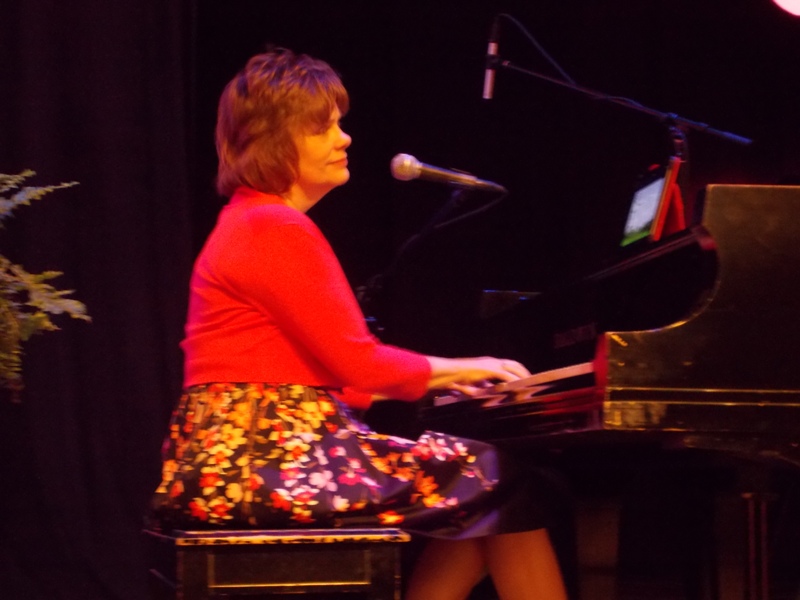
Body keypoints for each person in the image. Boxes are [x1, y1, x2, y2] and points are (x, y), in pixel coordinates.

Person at [151, 47, 567, 600]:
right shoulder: (275, 227)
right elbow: (359, 363)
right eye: (323, 127)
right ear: (276, 142)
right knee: (499, 476)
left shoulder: (247, 221)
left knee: (486, 497)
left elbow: (315, 375)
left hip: (234, 454)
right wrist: (470, 367)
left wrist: (440, 382)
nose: (344, 138)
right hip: (268, 459)